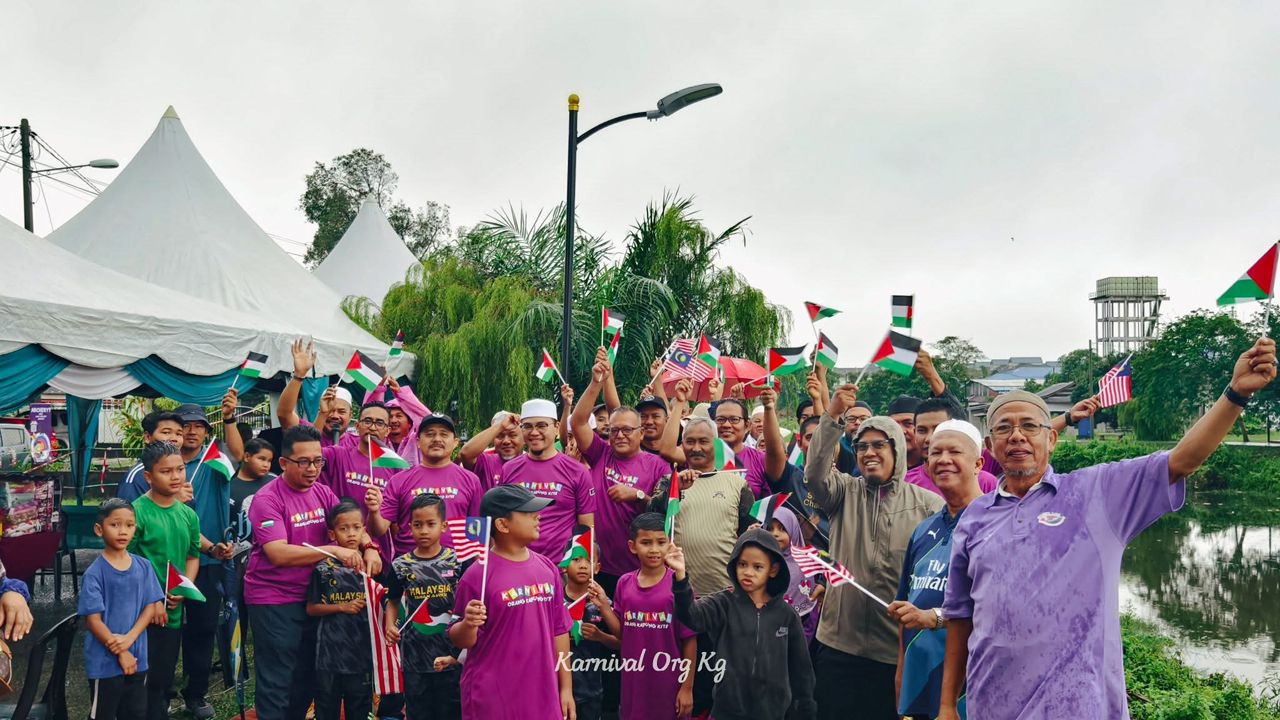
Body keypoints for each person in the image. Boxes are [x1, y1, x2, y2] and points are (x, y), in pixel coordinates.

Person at [938, 338, 1277, 720]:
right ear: (990, 446)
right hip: (991, 706)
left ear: (1051, 438)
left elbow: (1182, 461)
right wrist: (949, 704)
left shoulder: (1096, 493)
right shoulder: (975, 517)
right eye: (1005, 428)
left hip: (1080, 708)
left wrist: (1235, 394)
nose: (1017, 435)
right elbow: (960, 616)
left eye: (1030, 426)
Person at [805, 385, 944, 720]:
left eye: (879, 444)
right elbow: (815, 474)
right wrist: (832, 417)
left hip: (895, 654)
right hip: (839, 647)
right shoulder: (844, 493)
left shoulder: (929, 506)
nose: (869, 452)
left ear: (897, 448)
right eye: (862, 446)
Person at [244, 425, 382, 720]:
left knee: (307, 676)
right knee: (278, 677)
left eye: (318, 461)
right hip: (274, 599)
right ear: (283, 463)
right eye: (303, 462)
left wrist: (369, 547)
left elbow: (350, 523)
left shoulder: (323, 492)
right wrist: (332, 551)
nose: (312, 469)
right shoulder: (267, 499)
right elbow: (278, 553)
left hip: (316, 597)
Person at [885, 420, 986, 719]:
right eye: (935, 453)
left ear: (978, 463)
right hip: (918, 687)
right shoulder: (923, 530)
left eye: (954, 452)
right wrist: (901, 677)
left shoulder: (996, 523)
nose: (943, 460)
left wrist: (935, 618)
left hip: (970, 688)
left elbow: (997, 610)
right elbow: (908, 610)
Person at [449, 485, 574, 720]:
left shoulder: (548, 568)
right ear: (502, 525)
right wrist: (468, 623)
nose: (538, 517)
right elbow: (460, 639)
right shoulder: (477, 575)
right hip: (493, 697)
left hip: (542, 693)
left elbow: (560, 631)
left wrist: (565, 688)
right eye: (528, 513)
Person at [667, 528, 817, 720]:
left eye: (757, 567)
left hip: (772, 714)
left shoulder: (787, 615)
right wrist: (680, 577)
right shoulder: (723, 603)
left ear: (773, 570)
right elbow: (691, 616)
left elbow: (802, 671)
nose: (748, 572)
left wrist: (805, 710)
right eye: (742, 564)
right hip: (725, 712)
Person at [570, 351, 673, 587]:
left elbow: (665, 513)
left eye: (627, 430)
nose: (620, 435)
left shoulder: (658, 466)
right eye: (614, 430)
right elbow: (577, 422)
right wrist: (597, 382)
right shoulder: (600, 453)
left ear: (641, 432)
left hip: (639, 568)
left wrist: (636, 495)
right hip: (597, 566)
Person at [171, 395, 240, 720]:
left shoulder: (216, 462)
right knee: (164, 628)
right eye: (186, 425)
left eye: (200, 426)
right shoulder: (166, 468)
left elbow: (239, 455)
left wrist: (228, 421)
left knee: (202, 629)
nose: (193, 432)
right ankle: (159, 691)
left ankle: (195, 694)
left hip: (210, 561)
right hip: (167, 561)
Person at [128, 442, 202, 720]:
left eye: (180, 469)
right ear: (148, 476)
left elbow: (193, 556)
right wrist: (151, 597)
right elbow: (124, 561)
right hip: (138, 615)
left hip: (172, 612)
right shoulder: (135, 513)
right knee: (137, 680)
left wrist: (185, 586)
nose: (175, 477)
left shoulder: (188, 514)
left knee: (161, 678)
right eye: (166, 471)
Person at [79, 498, 164, 720]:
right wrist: (121, 651)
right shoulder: (94, 574)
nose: (122, 531)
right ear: (99, 529)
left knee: (135, 712)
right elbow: (93, 620)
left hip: (138, 658)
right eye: (114, 524)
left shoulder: (143, 566)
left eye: (129, 525)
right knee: (103, 714)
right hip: (104, 662)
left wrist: (130, 639)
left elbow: (150, 607)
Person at [384, 493, 463, 720]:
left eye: (431, 524)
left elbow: (467, 599)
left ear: (444, 526)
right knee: (419, 711)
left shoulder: (456, 561)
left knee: (450, 711)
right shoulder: (401, 565)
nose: (424, 531)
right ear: (409, 527)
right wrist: (390, 625)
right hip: (414, 656)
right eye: (418, 525)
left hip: (449, 653)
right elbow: (393, 600)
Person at [614, 513, 696, 720]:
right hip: (633, 684)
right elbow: (623, 634)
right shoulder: (624, 583)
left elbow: (690, 640)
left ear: (670, 545)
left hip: (669, 684)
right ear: (633, 546)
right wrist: (603, 612)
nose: (653, 549)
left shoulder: (679, 585)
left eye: (661, 542)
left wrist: (686, 687)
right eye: (646, 542)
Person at [369, 414, 482, 556]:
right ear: (417, 441)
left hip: (455, 568)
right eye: (430, 434)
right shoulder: (399, 480)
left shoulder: (471, 480)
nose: (437, 439)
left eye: (444, 434)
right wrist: (373, 511)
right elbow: (378, 530)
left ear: (455, 442)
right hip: (409, 569)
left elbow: (476, 529)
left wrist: (477, 565)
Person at [499, 398, 595, 560]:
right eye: (527, 426)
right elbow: (501, 518)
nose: (534, 432)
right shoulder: (509, 469)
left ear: (557, 428)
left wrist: (580, 564)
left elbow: (585, 526)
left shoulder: (577, 471)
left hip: (561, 567)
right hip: (518, 562)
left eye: (542, 425)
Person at [306, 500, 374, 720]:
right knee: (327, 709)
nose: (351, 533)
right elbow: (311, 608)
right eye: (344, 529)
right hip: (328, 656)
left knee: (359, 709)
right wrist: (342, 607)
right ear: (332, 534)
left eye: (356, 528)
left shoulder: (371, 566)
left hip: (360, 655)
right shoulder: (323, 568)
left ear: (364, 530)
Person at [758, 387, 828, 548]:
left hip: (834, 567)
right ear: (799, 442)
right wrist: (769, 408)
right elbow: (774, 452)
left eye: (822, 438)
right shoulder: (789, 476)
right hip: (797, 566)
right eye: (810, 437)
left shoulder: (845, 483)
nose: (817, 443)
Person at [560, 531, 619, 720]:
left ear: (598, 567)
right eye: (576, 559)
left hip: (591, 689)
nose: (583, 565)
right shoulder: (553, 602)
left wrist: (600, 637)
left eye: (589, 560)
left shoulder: (602, 603)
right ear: (563, 566)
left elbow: (622, 643)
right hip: (555, 686)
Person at [904, 398, 1000, 497]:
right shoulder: (906, 484)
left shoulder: (985, 482)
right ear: (914, 432)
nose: (929, 438)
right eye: (922, 430)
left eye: (938, 429)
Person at [277, 339, 358, 449]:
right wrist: (299, 375)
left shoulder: (358, 444)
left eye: (341, 411)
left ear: (350, 415)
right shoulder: (306, 431)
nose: (335, 416)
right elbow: (284, 414)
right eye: (330, 410)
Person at [768, 506, 823, 643]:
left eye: (782, 528)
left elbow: (810, 618)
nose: (775, 534)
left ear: (793, 531)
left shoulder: (805, 563)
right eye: (769, 528)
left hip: (799, 634)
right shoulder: (761, 564)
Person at [115, 411, 184, 502]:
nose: (174, 439)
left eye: (179, 434)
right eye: (166, 432)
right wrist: (173, 502)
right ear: (147, 437)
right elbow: (129, 514)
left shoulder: (179, 473)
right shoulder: (136, 478)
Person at [369, 374, 431, 468]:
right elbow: (370, 413)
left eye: (399, 416)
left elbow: (429, 420)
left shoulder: (417, 441)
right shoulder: (379, 441)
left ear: (410, 423)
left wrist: (401, 394)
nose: (393, 420)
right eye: (390, 416)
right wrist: (378, 389)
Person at [459, 411, 524, 490]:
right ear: (493, 440)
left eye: (512, 435)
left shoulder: (530, 464)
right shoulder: (486, 462)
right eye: (499, 436)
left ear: (524, 439)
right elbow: (465, 453)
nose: (506, 441)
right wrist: (500, 426)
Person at [834, 401, 873, 476]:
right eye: (851, 419)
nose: (857, 422)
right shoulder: (836, 446)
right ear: (843, 424)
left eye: (863, 419)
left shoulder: (880, 447)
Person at [885, 395, 922, 469]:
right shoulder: (883, 469)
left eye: (908, 423)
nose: (901, 430)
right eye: (894, 425)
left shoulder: (935, 466)